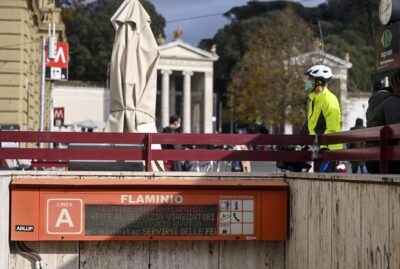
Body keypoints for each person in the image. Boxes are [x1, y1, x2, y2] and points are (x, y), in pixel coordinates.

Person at [303, 64, 342, 172]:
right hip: (317, 150)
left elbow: (333, 129)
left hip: (327, 152)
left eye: (310, 79)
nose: (307, 82)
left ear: (319, 82)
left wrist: (322, 148)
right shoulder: (314, 99)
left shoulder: (329, 100)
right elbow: (310, 126)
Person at [365, 71, 400, 174]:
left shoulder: (375, 102)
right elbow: (396, 132)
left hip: (371, 159)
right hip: (388, 159)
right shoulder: (393, 102)